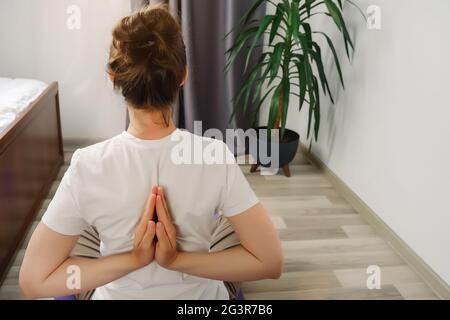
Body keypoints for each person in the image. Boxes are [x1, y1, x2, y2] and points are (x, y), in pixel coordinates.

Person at [19, 4, 282, 300]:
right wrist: (175, 260)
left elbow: (33, 282)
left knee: (82, 233)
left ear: (113, 78)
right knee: (230, 225)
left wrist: (134, 259)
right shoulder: (215, 156)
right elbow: (270, 262)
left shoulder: (86, 166)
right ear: (182, 75)